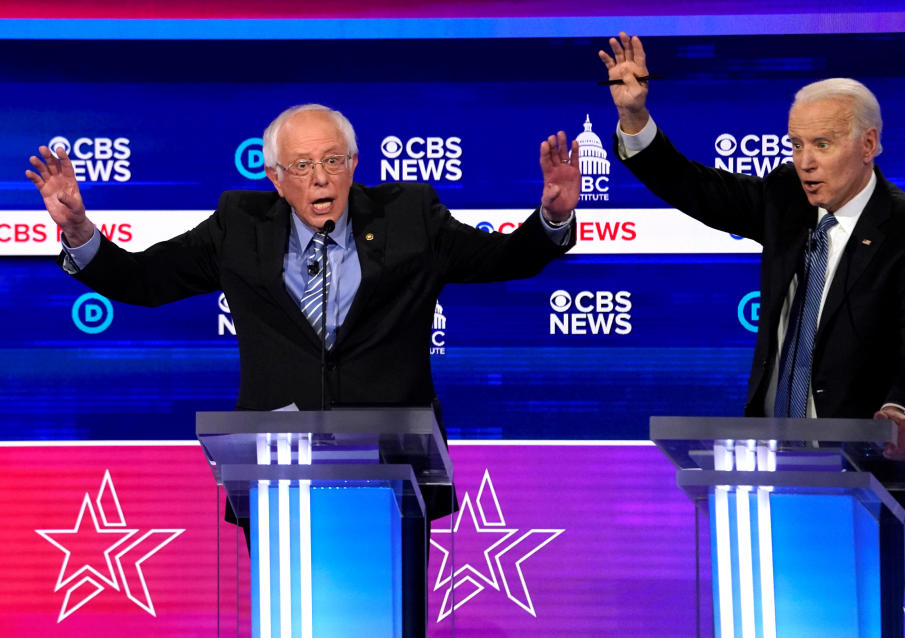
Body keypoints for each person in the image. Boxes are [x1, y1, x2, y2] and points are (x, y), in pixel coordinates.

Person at [26, 103, 580, 529]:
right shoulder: (238, 227)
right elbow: (145, 280)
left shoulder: (411, 218)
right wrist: (77, 230)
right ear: (275, 176)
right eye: (304, 165)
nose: (321, 178)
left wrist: (551, 218)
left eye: (333, 161)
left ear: (354, 165)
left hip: (395, 471)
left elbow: (501, 259)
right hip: (275, 477)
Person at [599, 33, 905, 559]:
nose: (805, 162)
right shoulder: (786, 197)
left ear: (869, 144)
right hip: (773, 468)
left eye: (822, 145)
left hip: (870, 478)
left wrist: (900, 409)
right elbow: (699, 190)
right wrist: (635, 119)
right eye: (796, 145)